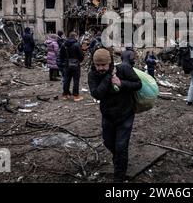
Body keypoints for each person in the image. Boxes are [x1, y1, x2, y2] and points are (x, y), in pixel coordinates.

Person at [88, 48, 142, 182]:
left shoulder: (123, 69)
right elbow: (97, 94)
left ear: (110, 62)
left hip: (125, 114)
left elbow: (138, 84)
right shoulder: (93, 75)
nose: (100, 68)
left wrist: (121, 83)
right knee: (108, 143)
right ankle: (118, 159)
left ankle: (119, 178)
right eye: (98, 65)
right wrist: (108, 77)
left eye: (103, 65)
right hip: (107, 116)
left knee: (121, 147)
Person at [59, 32, 85, 101]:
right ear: (75, 36)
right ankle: (76, 96)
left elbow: (61, 55)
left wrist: (64, 62)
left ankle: (65, 94)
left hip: (67, 64)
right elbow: (81, 56)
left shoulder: (64, 44)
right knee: (76, 80)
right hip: (75, 64)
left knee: (66, 79)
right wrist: (79, 61)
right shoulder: (77, 44)